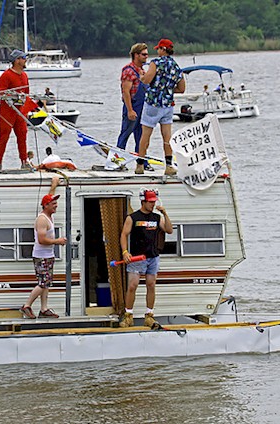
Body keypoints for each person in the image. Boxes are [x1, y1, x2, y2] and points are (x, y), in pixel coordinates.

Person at [119, 189, 173, 328]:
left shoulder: (156, 217)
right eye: (150, 202)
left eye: (154, 201)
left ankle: (149, 315)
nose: (153, 204)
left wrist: (165, 214)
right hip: (137, 256)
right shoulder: (133, 217)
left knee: (151, 284)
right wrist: (125, 252)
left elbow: (169, 230)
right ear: (143, 201)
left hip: (153, 256)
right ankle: (128, 315)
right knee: (133, 285)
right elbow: (124, 235)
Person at [135, 39, 185, 176]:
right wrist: (168, 90)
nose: (157, 51)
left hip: (153, 103)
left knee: (146, 135)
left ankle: (140, 165)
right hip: (168, 105)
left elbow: (147, 80)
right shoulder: (176, 66)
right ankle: (169, 166)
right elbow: (182, 89)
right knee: (167, 137)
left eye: (158, 49)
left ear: (163, 49)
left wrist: (141, 76)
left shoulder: (155, 63)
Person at [20, 176, 67, 319]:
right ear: (46, 206)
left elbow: (50, 196)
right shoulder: (42, 219)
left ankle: (44, 308)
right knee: (43, 283)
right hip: (41, 256)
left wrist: (54, 185)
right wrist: (57, 241)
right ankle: (26, 305)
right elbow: (41, 240)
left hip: (48, 256)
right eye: (53, 204)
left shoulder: (49, 216)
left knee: (47, 283)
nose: (56, 205)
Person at [116, 43, 153, 171]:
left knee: (141, 137)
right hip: (132, 107)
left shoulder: (143, 71)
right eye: (143, 54)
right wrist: (130, 110)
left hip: (143, 108)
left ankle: (142, 163)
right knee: (125, 134)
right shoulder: (128, 71)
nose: (146, 57)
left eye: (147, 54)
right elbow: (125, 92)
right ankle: (117, 162)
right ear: (135, 55)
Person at [0, 49, 31, 171]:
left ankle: (24, 161)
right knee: (4, 136)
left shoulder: (25, 75)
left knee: (22, 136)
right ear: (17, 60)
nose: (25, 60)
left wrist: (31, 109)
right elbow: (0, 91)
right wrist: (13, 95)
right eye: (23, 58)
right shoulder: (6, 75)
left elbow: (27, 94)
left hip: (21, 111)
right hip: (7, 111)